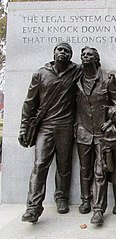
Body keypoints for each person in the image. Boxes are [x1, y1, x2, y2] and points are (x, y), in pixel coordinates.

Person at [19, 42, 80, 223]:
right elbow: (30, 103)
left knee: (64, 165)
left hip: (66, 126)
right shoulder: (40, 74)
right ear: (53, 53)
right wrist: (23, 127)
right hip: (45, 127)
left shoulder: (76, 71)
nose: (63, 52)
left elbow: (94, 71)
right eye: (60, 49)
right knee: (39, 165)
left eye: (67, 51)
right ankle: (33, 207)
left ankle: (61, 198)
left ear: (70, 56)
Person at [74, 46, 116, 223]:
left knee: (100, 171)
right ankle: (85, 200)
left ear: (96, 59)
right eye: (83, 54)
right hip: (83, 131)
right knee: (84, 169)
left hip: (102, 135)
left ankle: (98, 210)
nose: (85, 57)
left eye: (89, 55)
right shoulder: (76, 79)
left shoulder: (107, 80)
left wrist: (110, 121)